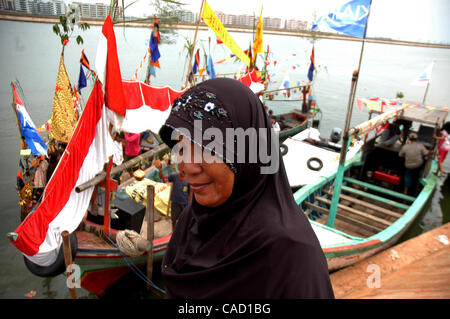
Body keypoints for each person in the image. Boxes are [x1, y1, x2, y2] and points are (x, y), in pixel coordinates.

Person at [158, 78, 334, 298]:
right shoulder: (193, 220)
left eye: (207, 148)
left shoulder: (291, 254)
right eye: (182, 147)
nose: (187, 167)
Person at [156, 159, 190, 231]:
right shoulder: (174, 176)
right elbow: (163, 178)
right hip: (175, 202)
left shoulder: (189, 179)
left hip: (185, 203)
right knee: (173, 219)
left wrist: (190, 204)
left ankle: (182, 232)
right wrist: (160, 169)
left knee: (184, 220)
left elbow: (190, 192)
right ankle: (173, 232)